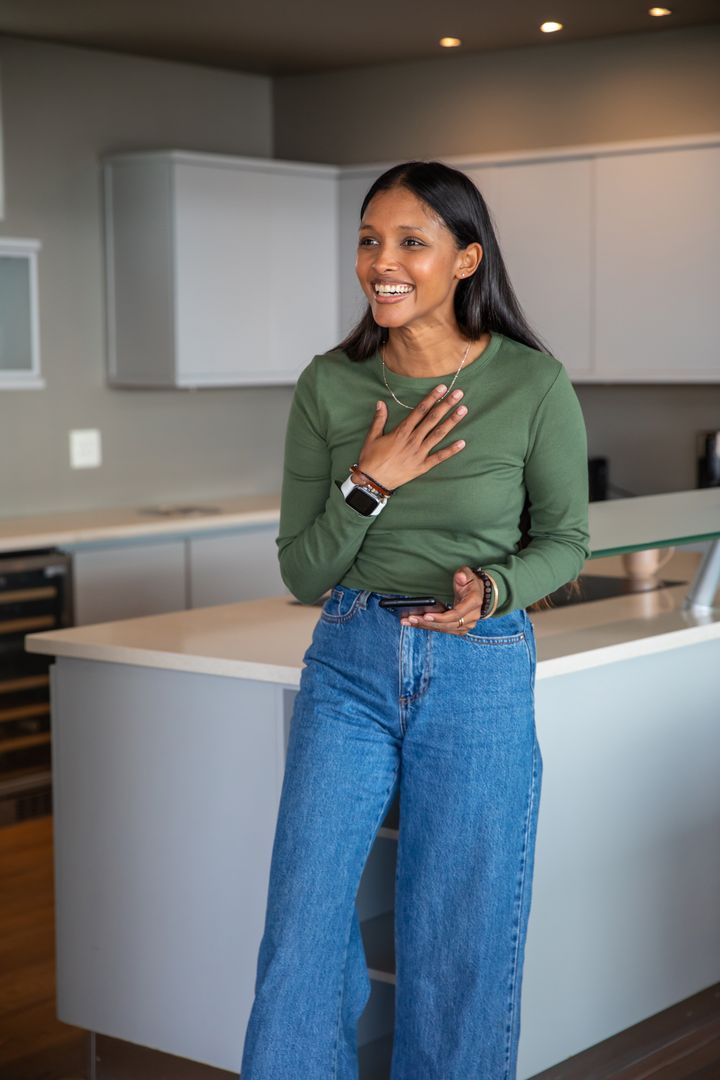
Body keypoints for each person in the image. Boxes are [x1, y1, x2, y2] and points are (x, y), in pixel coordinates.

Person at [240, 161, 590, 1079]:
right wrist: (370, 483)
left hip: (479, 665)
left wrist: (495, 590)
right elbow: (303, 569)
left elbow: (565, 541)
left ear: (466, 259)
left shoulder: (534, 383)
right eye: (369, 240)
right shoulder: (331, 384)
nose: (381, 262)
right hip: (349, 663)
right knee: (303, 925)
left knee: (459, 935)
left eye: (409, 242)